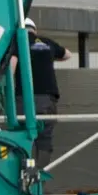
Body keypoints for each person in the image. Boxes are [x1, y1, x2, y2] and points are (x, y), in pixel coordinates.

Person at [21, 18, 69, 168]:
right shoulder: (47, 42)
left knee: (21, 137)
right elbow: (68, 54)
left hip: (21, 98)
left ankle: (21, 176)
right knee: (44, 139)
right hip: (46, 99)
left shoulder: (17, 41)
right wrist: (49, 58)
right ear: (35, 30)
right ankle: (39, 176)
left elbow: (12, 64)